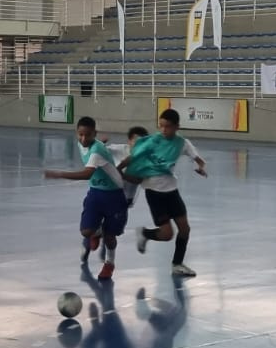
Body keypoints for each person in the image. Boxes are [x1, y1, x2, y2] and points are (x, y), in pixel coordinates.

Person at [42, 116, 129, 282]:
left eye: (88, 135)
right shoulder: (83, 144)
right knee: (86, 231)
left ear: (94, 134)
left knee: (111, 236)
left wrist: (59, 174)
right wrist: (101, 141)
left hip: (114, 195)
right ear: (77, 133)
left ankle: (109, 263)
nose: (83, 139)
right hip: (96, 192)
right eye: (80, 134)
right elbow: (92, 146)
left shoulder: (97, 151)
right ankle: (96, 232)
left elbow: (87, 173)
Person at [126, 109, 207, 278]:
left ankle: (177, 264)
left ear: (177, 127)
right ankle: (145, 233)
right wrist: (120, 170)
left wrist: (200, 167)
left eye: (167, 127)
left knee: (185, 229)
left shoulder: (182, 143)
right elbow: (134, 156)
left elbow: (198, 158)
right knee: (167, 234)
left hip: (172, 192)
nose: (163, 130)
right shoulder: (152, 141)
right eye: (161, 126)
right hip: (154, 193)